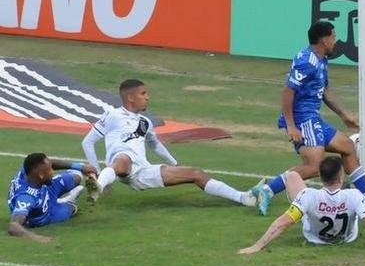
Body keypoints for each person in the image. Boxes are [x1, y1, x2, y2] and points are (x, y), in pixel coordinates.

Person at [251, 21, 365, 215]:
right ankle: (266, 190)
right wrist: (292, 126)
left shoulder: (321, 59)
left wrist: (344, 116)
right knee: (315, 166)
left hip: (313, 118)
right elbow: (287, 92)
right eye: (333, 36)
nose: (336, 41)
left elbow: (325, 91)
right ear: (324, 40)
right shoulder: (306, 61)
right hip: (303, 119)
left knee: (348, 148)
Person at [81, 79, 254, 208]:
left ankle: (243, 198)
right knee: (124, 158)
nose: (147, 97)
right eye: (143, 94)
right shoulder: (113, 115)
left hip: (142, 171)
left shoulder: (144, 122)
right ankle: (98, 186)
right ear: (130, 98)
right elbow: (88, 142)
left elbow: (155, 145)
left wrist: (174, 163)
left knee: (196, 173)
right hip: (122, 164)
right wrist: (96, 173)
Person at [238, 156, 365, 254]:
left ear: (321, 178)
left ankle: (267, 191)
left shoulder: (307, 196)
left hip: (315, 238)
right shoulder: (354, 195)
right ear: (341, 176)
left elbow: (282, 224)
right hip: (346, 239)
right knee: (348, 201)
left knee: (292, 176)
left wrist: (256, 246)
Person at [8, 153, 98, 243]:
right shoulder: (26, 198)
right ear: (41, 175)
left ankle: (59, 199)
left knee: (77, 177)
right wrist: (38, 238)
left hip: (46, 189)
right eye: (50, 170)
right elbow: (14, 226)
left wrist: (80, 167)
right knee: (72, 208)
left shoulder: (31, 170)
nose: (53, 171)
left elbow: (49, 163)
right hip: (47, 214)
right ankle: (67, 201)